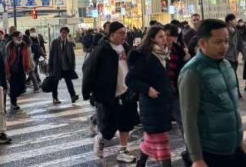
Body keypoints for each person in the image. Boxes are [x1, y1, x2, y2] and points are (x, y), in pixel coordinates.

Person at [179, 19, 246, 167]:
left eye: (226, 41)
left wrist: (239, 141)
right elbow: (188, 119)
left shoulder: (226, 65)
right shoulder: (192, 72)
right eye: (218, 42)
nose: (224, 46)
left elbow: (231, 108)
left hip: (234, 149)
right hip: (211, 152)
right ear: (203, 43)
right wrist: (197, 158)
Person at [82, 21, 139, 163]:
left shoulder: (125, 47)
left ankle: (123, 150)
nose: (124, 35)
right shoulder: (101, 50)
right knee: (108, 128)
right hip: (108, 94)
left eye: (125, 32)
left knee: (126, 124)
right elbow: (88, 71)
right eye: (121, 33)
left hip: (126, 92)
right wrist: (87, 92)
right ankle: (100, 139)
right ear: (112, 34)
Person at [126, 26, 174, 167]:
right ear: (152, 38)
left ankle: (141, 164)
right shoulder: (145, 57)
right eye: (160, 36)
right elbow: (130, 80)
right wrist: (148, 90)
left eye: (165, 36)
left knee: (151, 138)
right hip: (151, 104)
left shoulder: (163, 54)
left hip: (162, 103)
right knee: (162, 140)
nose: (164, 39)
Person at [162, 24, 192, 166]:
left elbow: (183, 68)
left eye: (169, 35)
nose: (167, 38)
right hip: (162, 94)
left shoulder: (178, 49)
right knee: (155, 130)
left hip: (176, 92)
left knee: (184, 123)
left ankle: (191, 153)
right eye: (164, 35)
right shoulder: (157, 51)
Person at [48, 27, 79, 104]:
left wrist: (73, 66)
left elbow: (72, 56)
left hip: (66, 67)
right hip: (57, 66)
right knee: (55, 83)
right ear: (60, 33)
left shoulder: (69, 44)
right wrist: (50, 67)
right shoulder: (55, 42)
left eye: (65, 33)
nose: (64, 34)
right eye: (63, 32)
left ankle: (73, 96)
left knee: (69, 82)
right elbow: (51, 55)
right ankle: (55, 98)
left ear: (67, 34)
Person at [5, 31, 32, 111]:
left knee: (22, 87)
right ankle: (14, 103)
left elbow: (27, 57)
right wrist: (7, 72)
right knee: (13, 86)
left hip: (21, 69)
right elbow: (6, 60)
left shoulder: (24, 45)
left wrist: (27, 68)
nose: (20, 38)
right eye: (18, 37)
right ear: (13, 38)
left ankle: (13, 95)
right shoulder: (9, 46)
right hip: (12, 69)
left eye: (21, 37)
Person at [225, 14, 246, 98]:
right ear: (229, 21)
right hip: (227, 58)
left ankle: (234, 92)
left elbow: (240, 43)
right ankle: (236, 92)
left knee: (232, 75)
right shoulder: (224, 30)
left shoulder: (235, 30)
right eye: (234, 20)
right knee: (232, 75)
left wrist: (244, 54)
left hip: (234, 57)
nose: (236, 21)